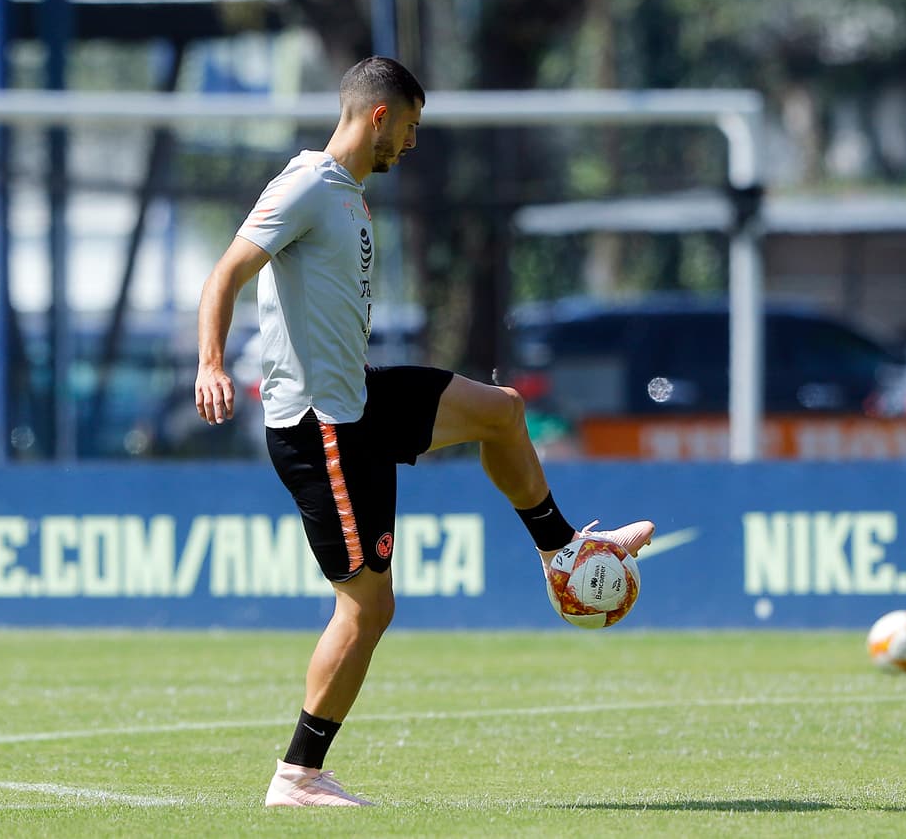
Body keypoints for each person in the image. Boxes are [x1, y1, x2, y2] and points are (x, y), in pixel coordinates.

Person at [193, 56, 655, 808]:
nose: (411, 144)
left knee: (502, 411)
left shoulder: (348, 194)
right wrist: (211, 361)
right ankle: (298, 775)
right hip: (323, 428)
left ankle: (562, 551)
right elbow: (226, 273)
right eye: (409, 128)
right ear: (379, 117)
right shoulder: (308, 185)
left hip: (361, 400)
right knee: (369, 607)